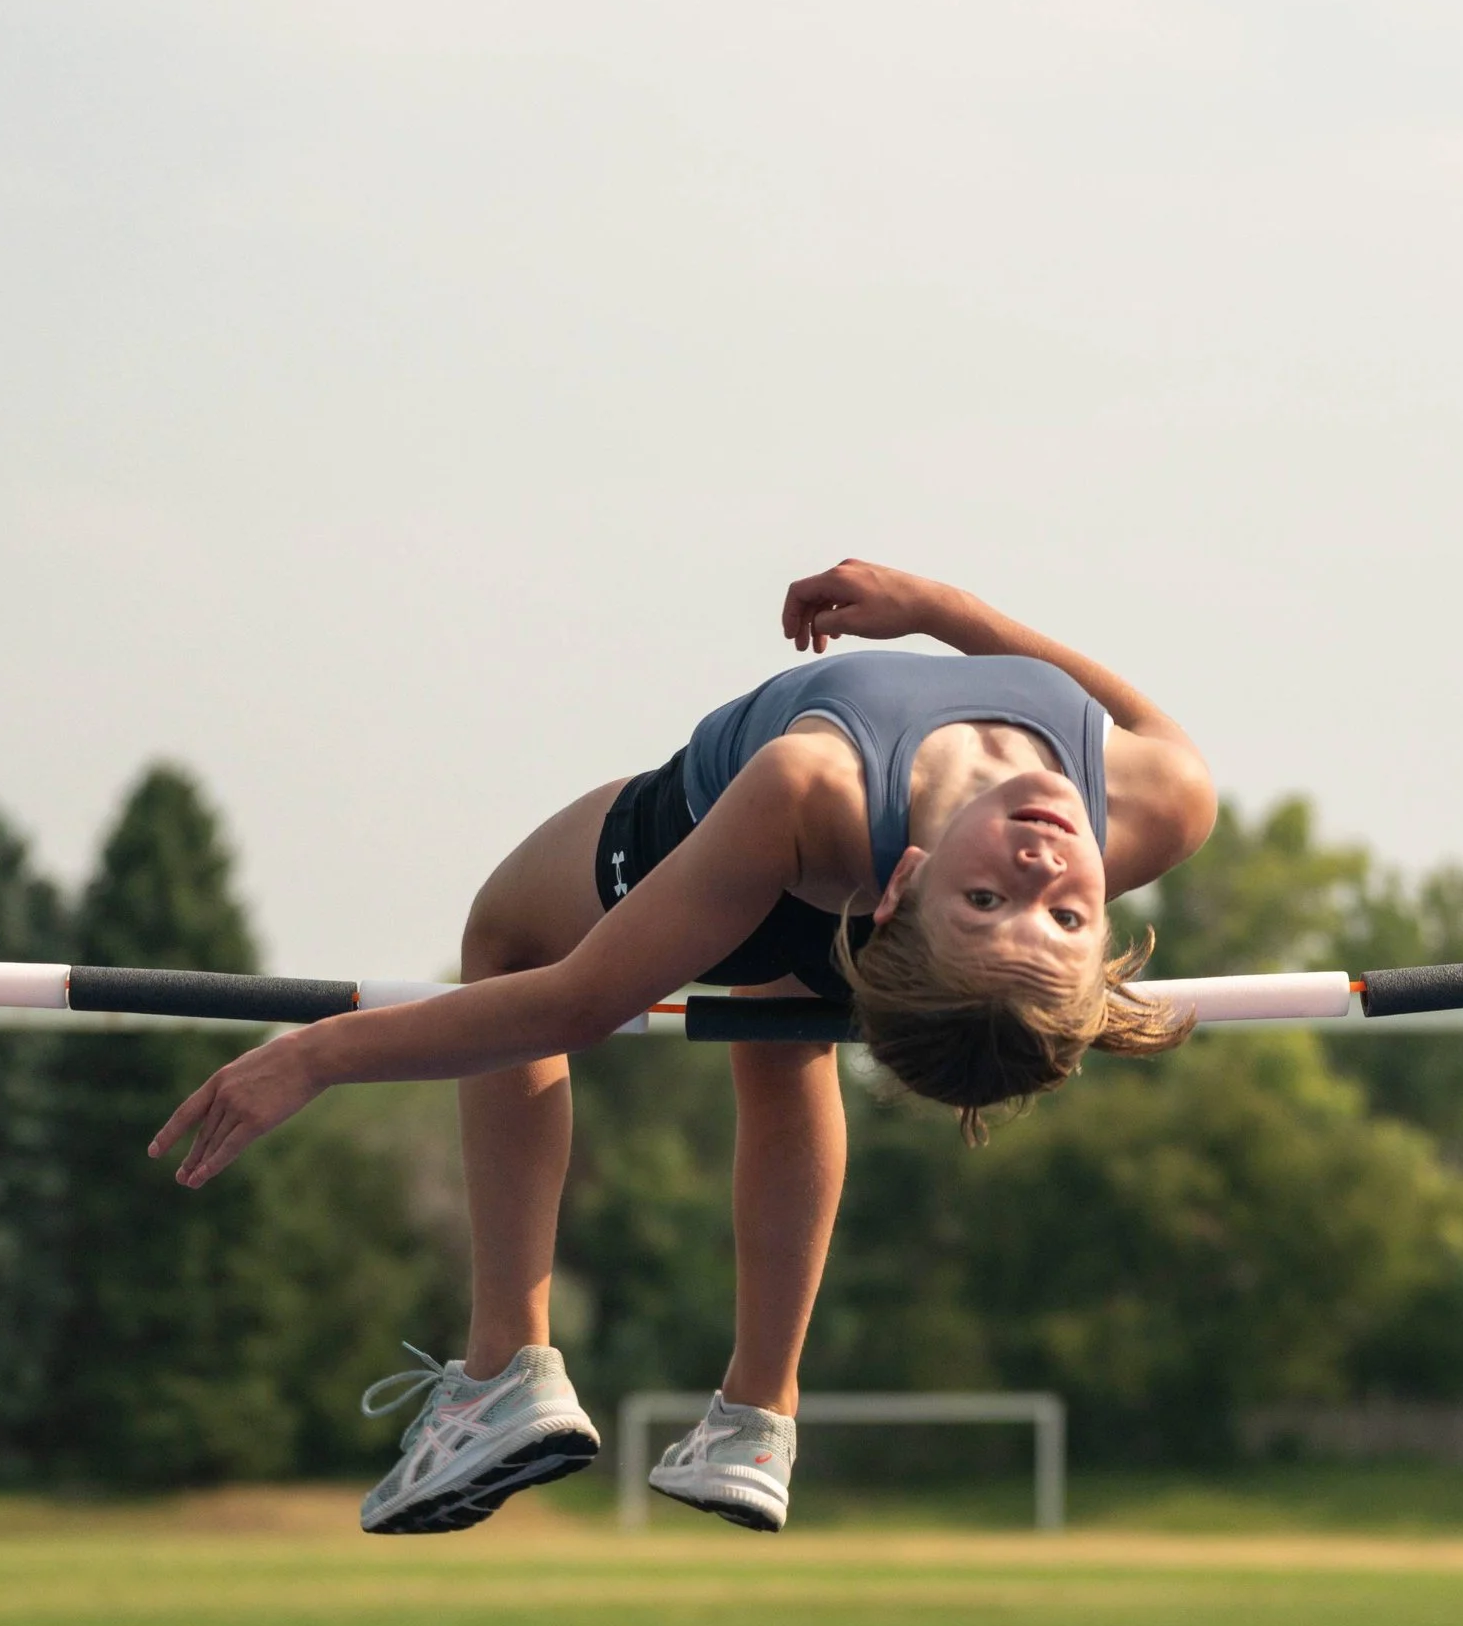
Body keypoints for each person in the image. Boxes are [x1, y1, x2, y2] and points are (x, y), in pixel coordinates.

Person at [152, 559, 1217, 1538]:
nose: (1041, 867)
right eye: (1066, 919)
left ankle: (502, 1370)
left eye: (989, 902)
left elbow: (568, 1004)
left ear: (896, 892)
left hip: (727, 828)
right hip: (809, 871)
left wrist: (317, 1056)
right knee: (780, 1038)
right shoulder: (1157, 804)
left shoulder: (810, 790)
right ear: (1104, 930)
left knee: (508, 936)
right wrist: (937, 609)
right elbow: (1132, 717)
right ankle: (757, 1417)